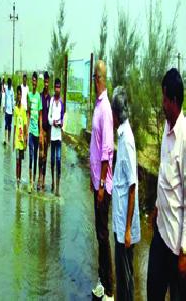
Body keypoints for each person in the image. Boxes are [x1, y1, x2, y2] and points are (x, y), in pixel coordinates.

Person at [147, 68, 186, 300]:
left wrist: (184, 252)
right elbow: (163, 175)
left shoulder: (184, 138)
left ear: (173, 100)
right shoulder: (166, 128)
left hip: (177, 246)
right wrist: (156, 207)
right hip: (161, 233)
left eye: (163, 98)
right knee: (153, 292)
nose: (161, 103)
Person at [111, 86, 140, 301]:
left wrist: (128, 229)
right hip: (120, 222)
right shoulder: (121, 136)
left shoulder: (127, 140)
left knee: (127, 280)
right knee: (121, 277)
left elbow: (132, 186)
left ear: (115, 113)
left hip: (124, 227)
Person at [90, 60, 114, 300]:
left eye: (94, 76)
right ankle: (101, 279)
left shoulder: (105, 108)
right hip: (96, 181)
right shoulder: (98, 105)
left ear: (98, 78)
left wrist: (100, 186)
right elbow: (95, 147)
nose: (92, 80)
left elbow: (107, 150)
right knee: (99, 234)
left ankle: (110, 289)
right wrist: (92, 177)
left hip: (103, 186)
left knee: (104, 236)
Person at [27, 71, 42, 193]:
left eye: (35, 80)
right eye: (32, 80)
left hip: (37, 132)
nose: (34, 82)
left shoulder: (38, 97)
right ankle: (30, 182)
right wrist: (27, 130)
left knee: (36, 157)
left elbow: (40, 116)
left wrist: (41, 132)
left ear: (37, 82)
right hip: (31, 132)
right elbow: (27, 112)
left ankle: (36, 179)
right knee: (30, 156)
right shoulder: (29, 96)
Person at [48, 78, 64, 196]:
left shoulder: (62, 103)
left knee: (58, 160)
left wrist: (62, 123)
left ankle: (58, 186)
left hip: (59, 137)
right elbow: (49, 117)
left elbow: (64, 118)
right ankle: (53, 182)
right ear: (54, 87)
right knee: (52, 160)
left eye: (59, 87)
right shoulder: (52, 101)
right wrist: (52, 122)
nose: (57, 89)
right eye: (56, 87)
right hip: (52, 135)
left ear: (60, 88)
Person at [37, 71, 51, 191]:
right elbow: (38, 114)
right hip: (40, 130)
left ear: (49, 82)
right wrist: (40, 131)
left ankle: (44, 179)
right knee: (40, 155)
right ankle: (38, 178)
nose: (46, 84)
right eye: (45, 81)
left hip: (48, 131)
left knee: (45, 156)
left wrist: (49, 135)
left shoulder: (50, 99)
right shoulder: (40, 96)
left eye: (47, 82)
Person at [13, 85, 27, 189]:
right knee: (17, 161)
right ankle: (17, 179)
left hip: (22, 140)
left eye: (20, 94)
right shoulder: (15, 110)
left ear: (21, 95)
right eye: (17, 94)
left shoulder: (23, 110)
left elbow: (25, 125)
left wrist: (26, 138)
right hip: (17, 140)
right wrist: (13, 139)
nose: (19, 96)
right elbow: (14, 125)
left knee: (20, 162)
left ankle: (19, 178)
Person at [3, 77, 14, 145]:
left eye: (10, 84)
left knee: (10, 126)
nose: (9, 85)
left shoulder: (12, 90)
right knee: (6, 125)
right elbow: (5, 98)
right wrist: (4, 106)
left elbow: (13, 100)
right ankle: (5, 139)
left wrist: (13, 109)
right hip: (6, 110)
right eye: (9, 84)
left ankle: (9, 140)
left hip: (10, 111)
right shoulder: (6, 89)